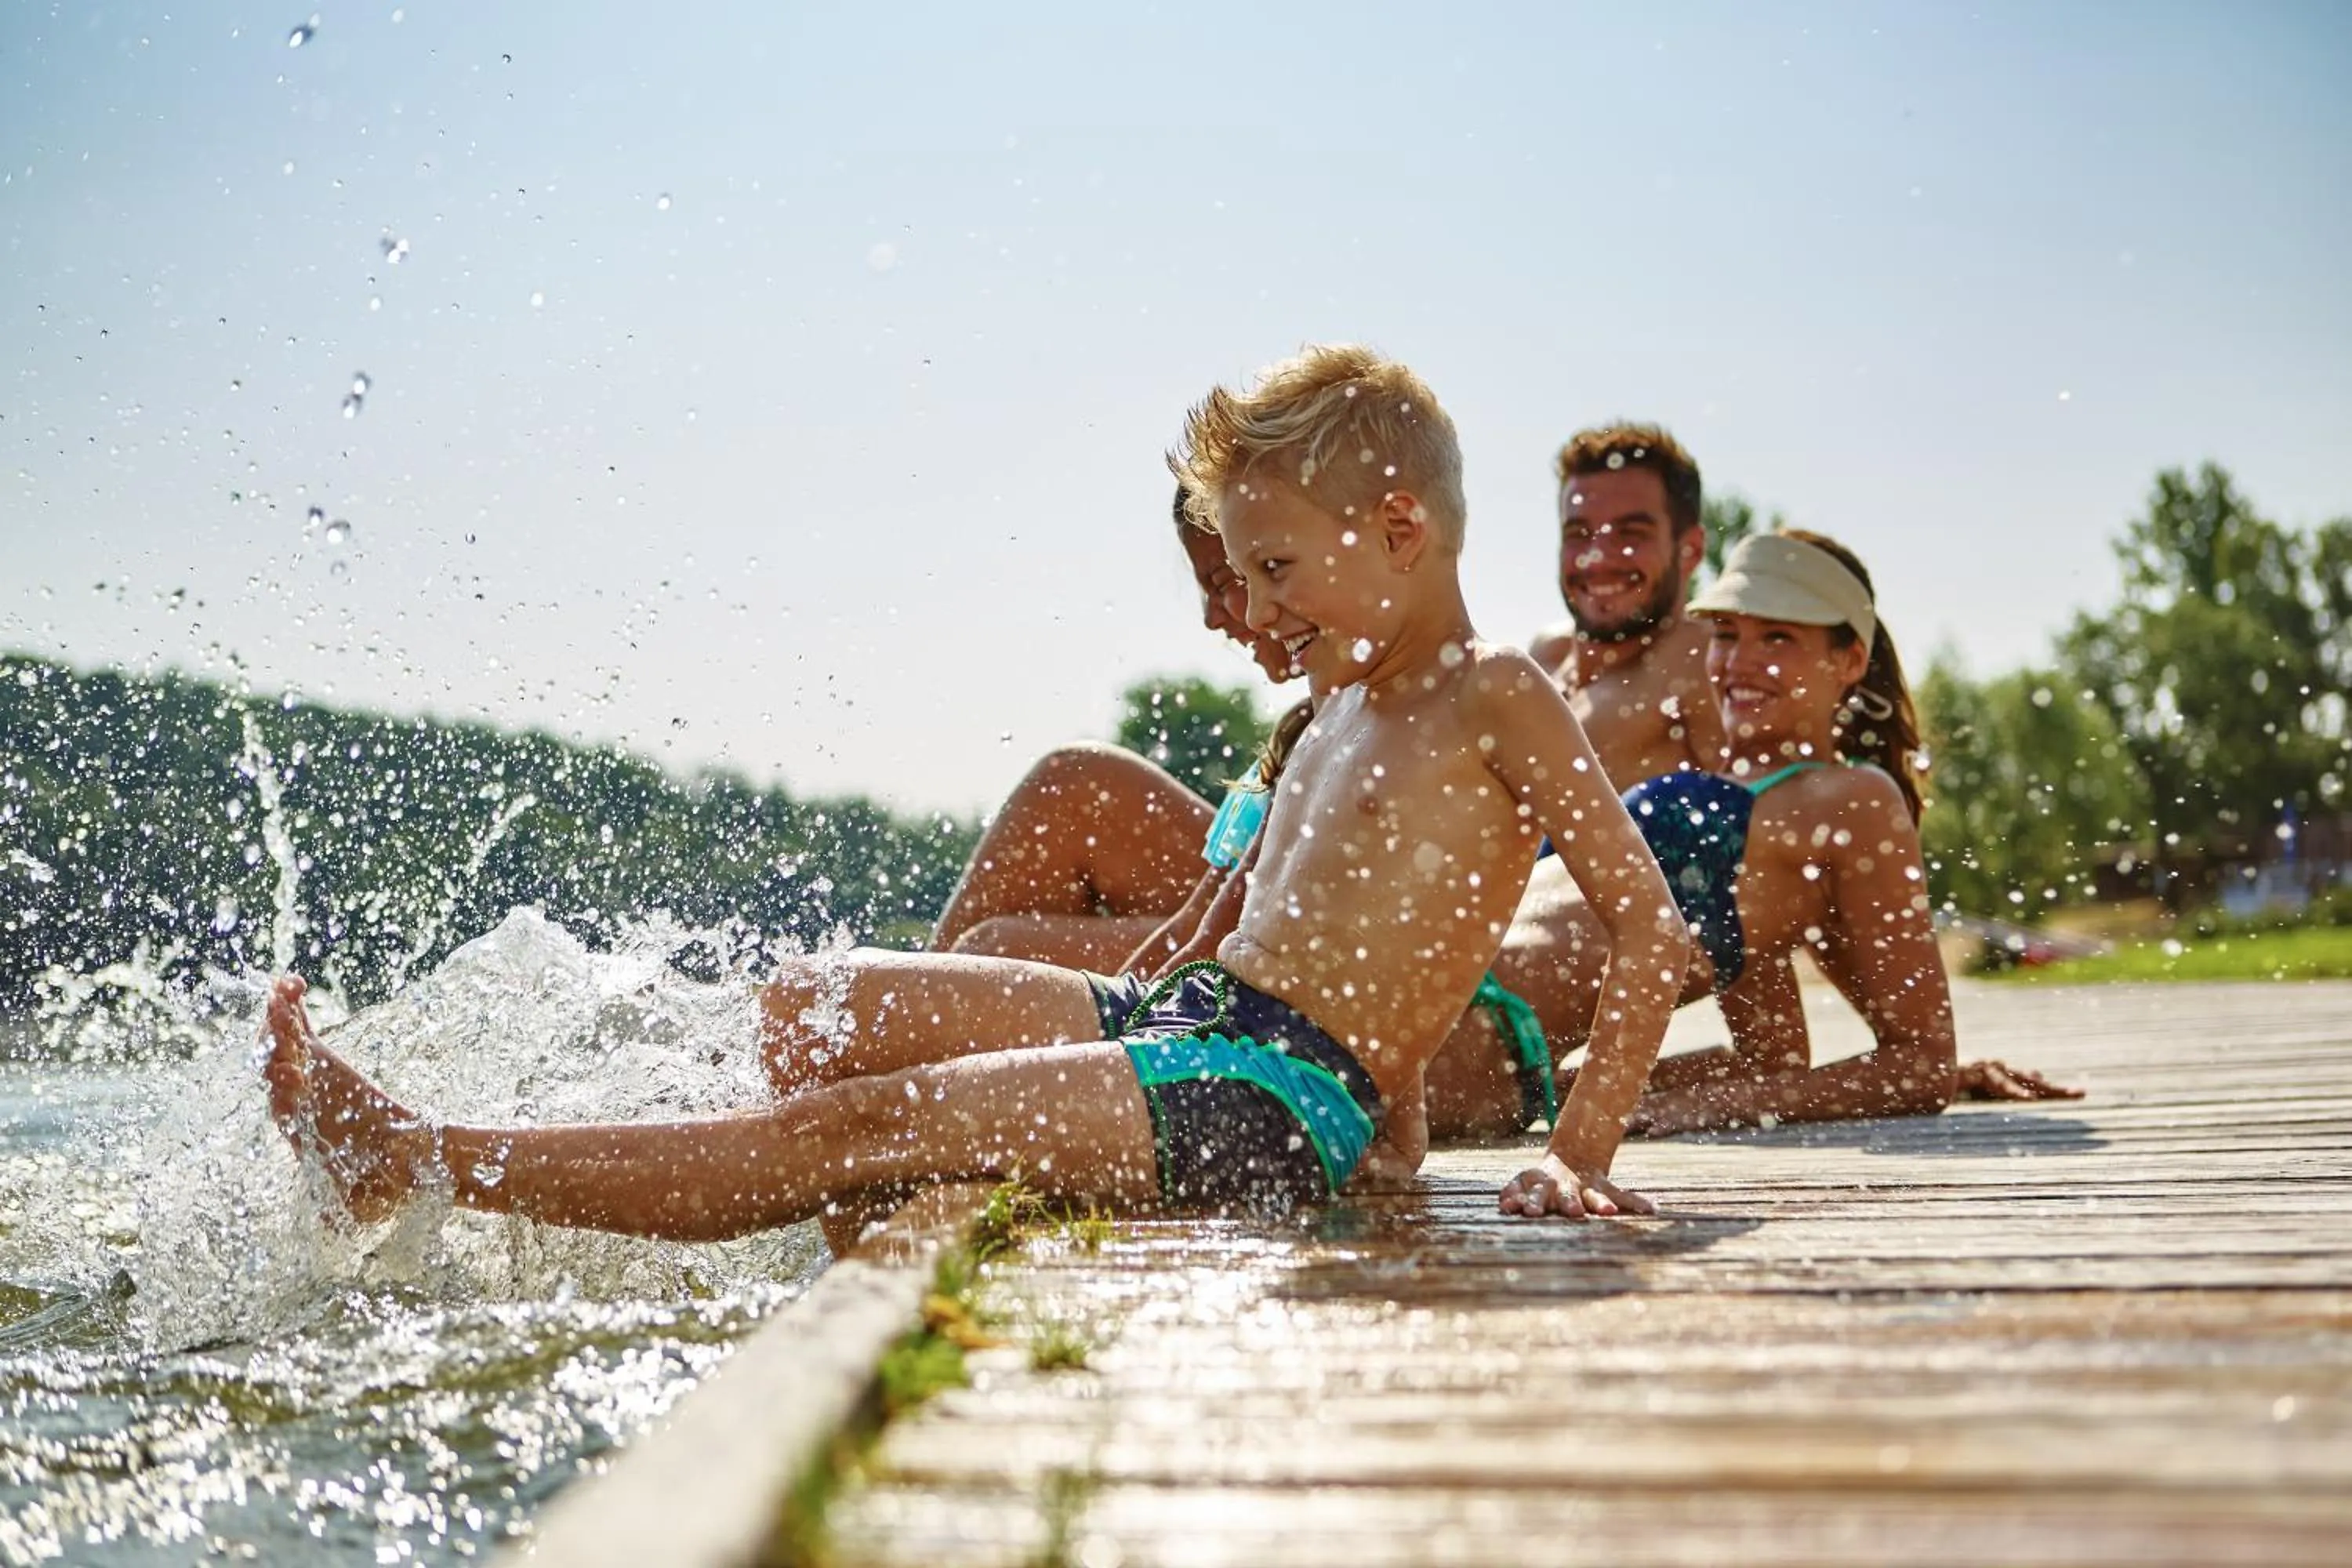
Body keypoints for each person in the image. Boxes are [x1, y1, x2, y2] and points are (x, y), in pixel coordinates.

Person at [260, 343, 1693, 1240]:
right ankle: (659, 1186)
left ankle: (423, 1158)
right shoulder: (1338, 704)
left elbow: (1649, 930)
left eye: (1275, 570)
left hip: (1267, 1089)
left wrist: (1577, 1154)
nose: (1258, 611)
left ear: (1398, 528)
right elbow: (1319, 922)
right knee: (823, 1004)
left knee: (862, 1131)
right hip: (1194, 1022)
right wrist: (1399, 1145)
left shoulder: (1495, 695)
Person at [1428, 528, 2074, 1142]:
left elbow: (1917, 1062)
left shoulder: (1854, 800)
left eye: (1777, 639)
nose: (1740, 662)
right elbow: (1772, 1062)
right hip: (1459, 1032)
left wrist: (1706, 1107)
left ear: (1849, 660)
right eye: (1728, 634)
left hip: (1454, 1034)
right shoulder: (1744, 807)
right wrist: (1641, 1094)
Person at [928, 486, 1299, 974]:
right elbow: (1200, 920)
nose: (1212, 618)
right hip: (1255, 904)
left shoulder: (1367, 709)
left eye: (1224, 579)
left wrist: (1132, 1015)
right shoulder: (1315, 717)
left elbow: (1212, 933)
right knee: (1074, 782)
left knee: (988, 958)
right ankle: (895, 1009)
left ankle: (901, 1016)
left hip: (1295, 946)